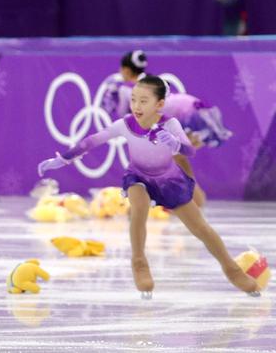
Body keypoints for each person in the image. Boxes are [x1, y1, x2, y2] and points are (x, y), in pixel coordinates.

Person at [37, 75, 261, 299]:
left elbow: (189, 151)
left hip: (170, 180)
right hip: (138, 177)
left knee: (201, 229)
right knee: (139, 205)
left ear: (160, 104)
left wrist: (175, 143)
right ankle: (139, 262)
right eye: (134, 99)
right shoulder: (125, 124)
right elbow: (92, 141)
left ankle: (232, 269)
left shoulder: (170, 124)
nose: (136, 106)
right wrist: (63, 160)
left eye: (143, 101)